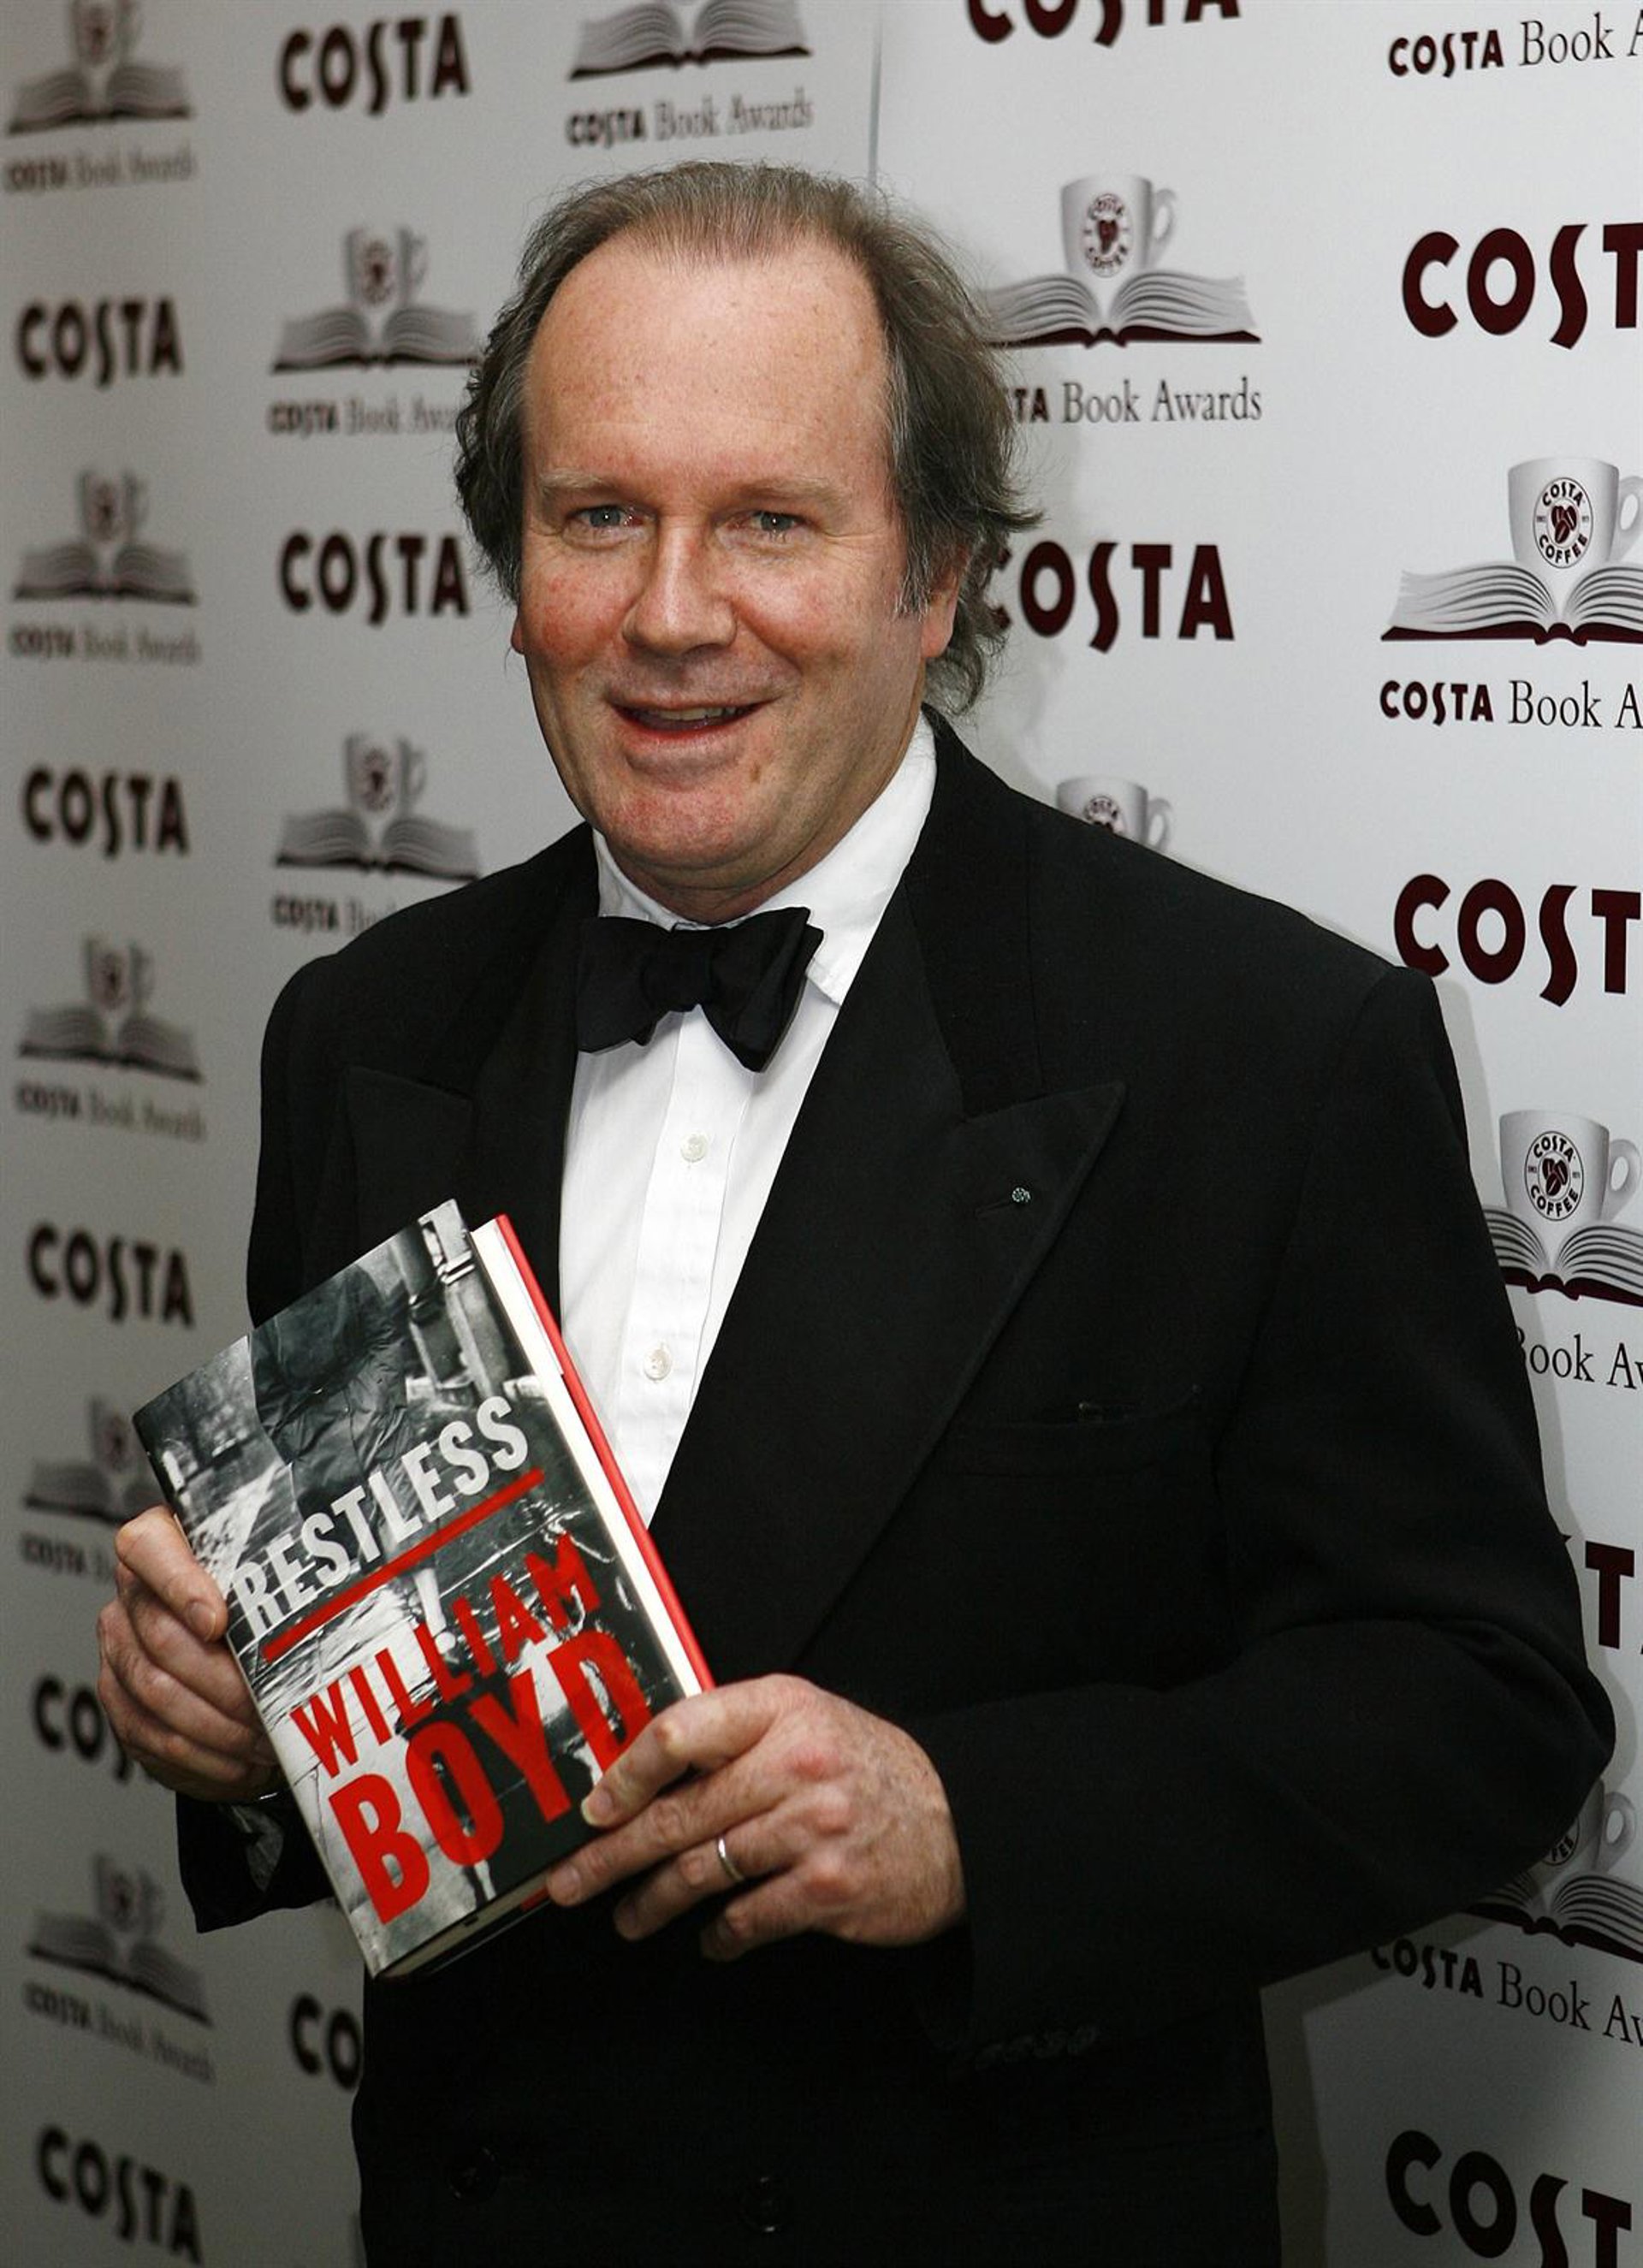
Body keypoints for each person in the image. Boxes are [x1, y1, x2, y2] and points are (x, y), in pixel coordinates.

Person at [98, 162, 1610, 2267]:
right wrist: (242, 1718)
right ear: (513, 567)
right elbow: (382, 1719)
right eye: (597, 515)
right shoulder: (365, 1032)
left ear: (939, 577)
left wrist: (972, 1823)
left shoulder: (1261, 1050)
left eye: (772, 522)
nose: (672, 614)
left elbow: (1477, 1707)